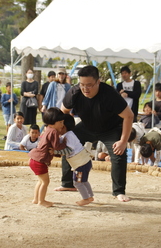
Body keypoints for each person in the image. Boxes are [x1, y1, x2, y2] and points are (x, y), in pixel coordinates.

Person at [60, 65, 134, 202]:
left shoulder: (110, 94)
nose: (85, 89)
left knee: (119, 153)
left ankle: (118, 191)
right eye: (82, 84)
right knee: (67, 144)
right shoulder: (74, 92)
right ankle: (67, 183)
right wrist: (66, 134)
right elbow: (63, 112)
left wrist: (123, 141)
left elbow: (129, 116)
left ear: (98, 82)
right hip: (87, 126)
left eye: (89, 85)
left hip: (111, 128)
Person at [28, 107, 67, 207]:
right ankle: (41, 201)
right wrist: (65, 143)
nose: (62, 125)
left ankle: (36, 199)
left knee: (41, 181)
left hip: (34, 159)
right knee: (45, 181)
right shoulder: (53, 131)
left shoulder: (48, 129)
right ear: (55, 121)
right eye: (61, 122)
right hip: (39, 161)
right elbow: (57, 146)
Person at [54, 114, 94, 206]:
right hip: (84, 162)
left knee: (77, 183)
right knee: (84, 181)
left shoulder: (69, 136)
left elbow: (68, 150)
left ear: (63, 126)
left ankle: (86, 199)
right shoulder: (66, 135)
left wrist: (55, 151)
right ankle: (90, 196)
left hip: (81, 164)